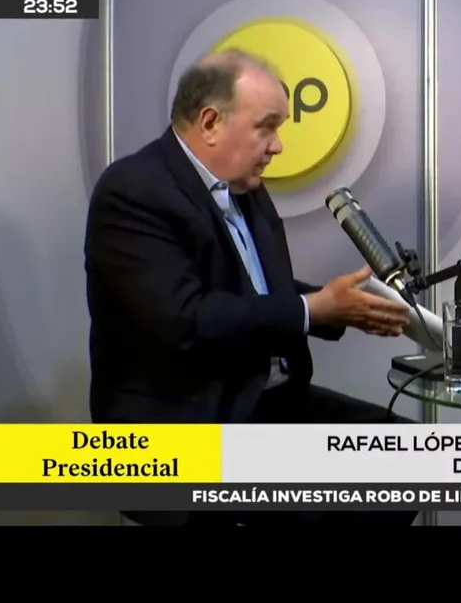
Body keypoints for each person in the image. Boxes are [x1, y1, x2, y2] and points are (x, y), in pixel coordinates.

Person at [85, 50, 418, 527]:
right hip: (186, 423)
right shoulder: (134, 191)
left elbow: (252, 289)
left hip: (263, 402)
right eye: (267, 127)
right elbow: (187, 319)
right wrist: (314, 309)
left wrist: (341, 305)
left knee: (408, 459)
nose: (278, 146)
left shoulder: (245, 186)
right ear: (210, 123)